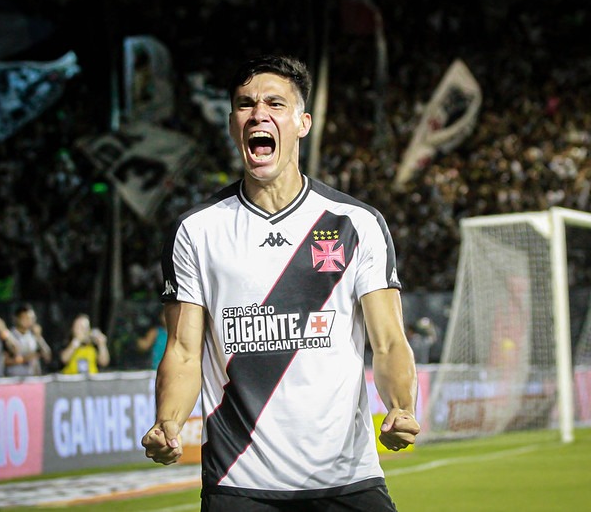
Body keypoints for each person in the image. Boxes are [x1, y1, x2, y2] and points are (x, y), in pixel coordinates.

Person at [141, 55, 419, 511]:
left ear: (301, 122)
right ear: (234, 124)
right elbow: (185, 351)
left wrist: (401, 409)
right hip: (238, 482)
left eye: (275, 102)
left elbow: (388, 342)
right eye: (246, 104)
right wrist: (168, 423)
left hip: (346, 478)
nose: (258, 114)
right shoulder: (197, 230)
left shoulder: (356, 223)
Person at [5, 303, 52, 377]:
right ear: (17, 318)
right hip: (14, 379)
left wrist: (39, 338)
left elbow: (48, 357)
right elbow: (4, 361)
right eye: (26, 318)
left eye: (32, 318)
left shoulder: (34, 335)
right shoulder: (9, 335)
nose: (29, 321)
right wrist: (25, 359)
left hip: (33, 379)